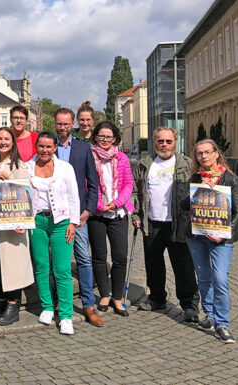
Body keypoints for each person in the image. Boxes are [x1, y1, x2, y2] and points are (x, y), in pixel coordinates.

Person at [131, 126, 199, 321]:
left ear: (175, 142)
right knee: (153, 263)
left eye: (168, 141)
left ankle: (189, 305)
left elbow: (198, 189)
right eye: (160, 141)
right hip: (151, 221)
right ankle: (157, 298)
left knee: (183, 265)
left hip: (179, 223)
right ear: (155, 142)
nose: (164, 145)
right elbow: (135, 192)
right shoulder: (145, 164)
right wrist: (135, 216)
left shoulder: (187, 164)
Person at [183, 139, 238, 343]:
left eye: (207, 152)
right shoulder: (195, 178)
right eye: (199, 154)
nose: (204, 157)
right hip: (197, 236)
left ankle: (222, 323)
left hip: (221, 239)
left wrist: (223, 234)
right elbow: (183, 204)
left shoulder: (230, 179)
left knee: (220, 278)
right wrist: (198, 189)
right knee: (204, 278)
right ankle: (209, 314)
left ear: (216, 153)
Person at [27, 132, 81, 335]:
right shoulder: (27, 166)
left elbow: (73, 196)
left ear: (55, 148)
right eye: (41, 146)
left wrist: (73, 223)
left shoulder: (65, 169)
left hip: (61, 222)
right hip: (36, 221)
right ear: (36, 146)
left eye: (49, 147)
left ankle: (66, 315)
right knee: (41, 267)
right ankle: (47, 307)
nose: (44, 150)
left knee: (62, 269)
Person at [53, 108, 103, 327]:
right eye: (59, 124)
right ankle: (57, 301)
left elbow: (93, 184)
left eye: (66, 124)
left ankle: (88, 304)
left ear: (72, 124)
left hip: (78, 215)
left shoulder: (84, 149)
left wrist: (88, 210)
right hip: (55, 215)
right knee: (57, 260)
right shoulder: (48, 147)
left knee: (83, 258)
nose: (62, 128)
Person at [0, 127, 34, 326]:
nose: (3, 142)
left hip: (13, 222)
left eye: (7, 139)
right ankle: (0, 303)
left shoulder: (20, 165)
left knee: (12, 264)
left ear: (13, 142)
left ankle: (13, 305)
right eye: (0, 138)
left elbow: (25, 192)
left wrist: (9, 180)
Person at [88, 121, 134, 318]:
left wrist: (115, 203)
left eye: (109, 136)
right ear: (95, 137)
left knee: (120, 256)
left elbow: (128, 184)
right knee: (99, 256)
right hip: (97, 214)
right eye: (101, 136)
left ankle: (117, 296)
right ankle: (104, 295)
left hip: (118, 213)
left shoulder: (122, 158)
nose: (105, 140)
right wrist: (99, 205)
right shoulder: (89, 157)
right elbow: (87, 184)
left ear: (115, 138)